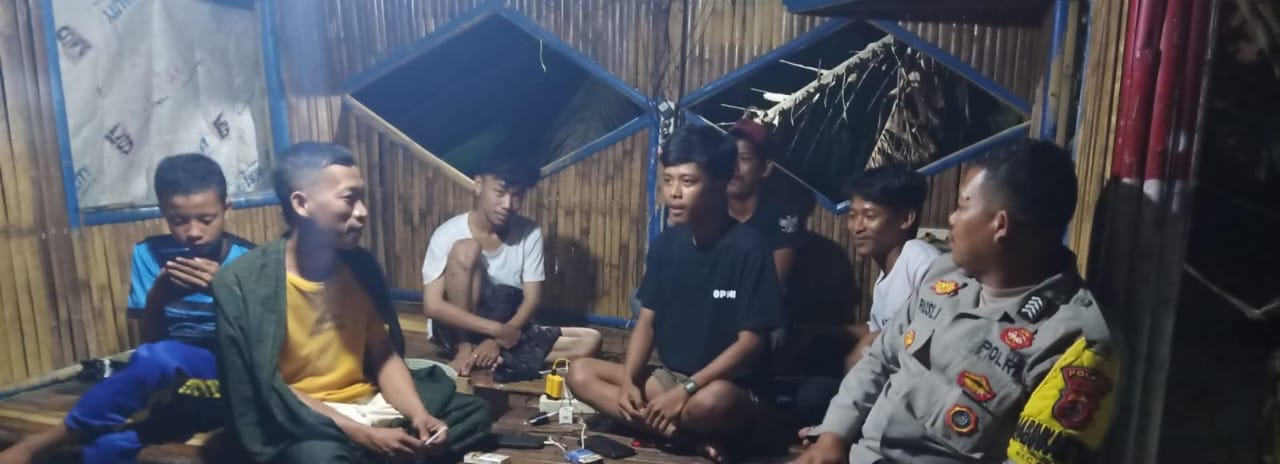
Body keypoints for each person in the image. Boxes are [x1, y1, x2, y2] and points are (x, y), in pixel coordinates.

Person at [794, 139, 1120, 463]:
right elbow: (880, 358)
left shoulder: (1077, 344)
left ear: (1001, 225)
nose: (951, 218)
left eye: (963, 206)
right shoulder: (945, 274)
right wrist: (833, 437)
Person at [213, 142, 491, 463]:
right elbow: (268, 389)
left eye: (362, 198)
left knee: (474, 413)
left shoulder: (360, 266)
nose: (362, 211)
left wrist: (418, 415)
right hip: (305, 419)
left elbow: (383, 355)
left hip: (370, 403)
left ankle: (393, 448)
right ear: (302, 204)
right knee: (320, 458)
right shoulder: (243, 283)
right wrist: (362, 434)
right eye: (349, 199)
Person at [0, 154, 254, 464]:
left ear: (227, 208)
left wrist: (227, 291)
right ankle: (57, 442)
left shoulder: (251, 261)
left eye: (206, 219)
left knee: (159, 360)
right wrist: (158, 297)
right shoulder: (150, 254)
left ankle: (40, 443)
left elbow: (261, 348)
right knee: (105, 448)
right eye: (178, 220)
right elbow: (149, 345)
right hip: (175, 383)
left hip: (234, 378)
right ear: (163, 212)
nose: (193, 232)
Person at [566, 126, 784, 462]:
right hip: (671, 379)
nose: (674, 193)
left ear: (720, 184)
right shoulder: (667, 245)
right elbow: (647, 323)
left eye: (688, 181)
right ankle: (683, 437)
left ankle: (668, 424)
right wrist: (629, 382)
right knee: (579, 372)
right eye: (668, 180)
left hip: (730, 388)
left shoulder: (749, 248)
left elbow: (751, 343)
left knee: (709, 403)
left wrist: (688, 389)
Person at [421, 159, 600, 380]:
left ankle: (492, 356)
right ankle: (466, 349)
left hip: (508, 329)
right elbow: (433, 306)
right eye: (500, 192)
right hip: (458, 330)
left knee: (590, 340)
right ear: (479, 185)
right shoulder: (448, 233)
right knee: (466, 249)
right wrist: (494, 331)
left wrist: (497, 339)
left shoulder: (529, 232)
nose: (508, 204)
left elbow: (532, 299)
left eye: (517, 196)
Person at [840, 164, 941, 369]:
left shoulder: (920, 259)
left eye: (869, 216)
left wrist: (870, 342)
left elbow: (938, 328)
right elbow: (879, 327)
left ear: (905, 219)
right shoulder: (885, 276)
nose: (857, 227)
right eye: (852, 215)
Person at [725, 117, 804, 286]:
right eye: (729, 158)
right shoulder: (710, 212)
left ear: (766, 168)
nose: (734, 168)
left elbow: (772, 287)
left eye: (744, 159)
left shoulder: (781, 216)